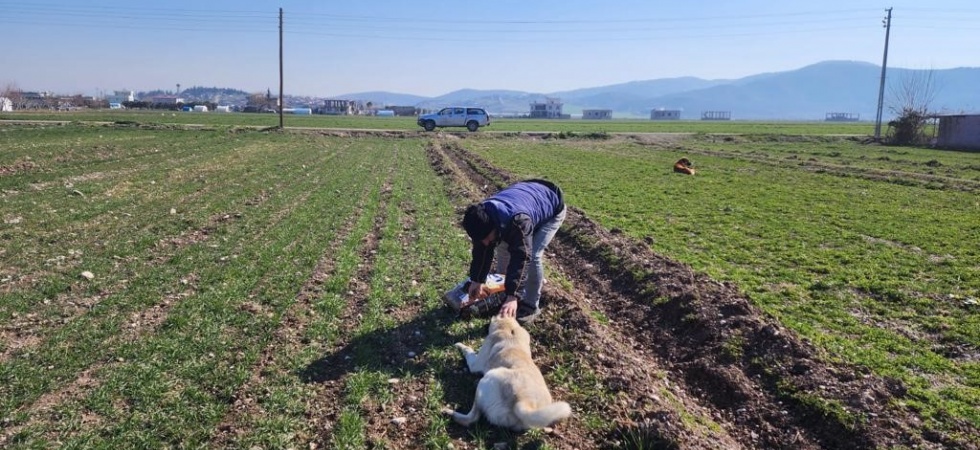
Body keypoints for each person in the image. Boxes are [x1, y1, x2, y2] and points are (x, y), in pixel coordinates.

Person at [460, 179, 566, 323]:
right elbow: (482, 250)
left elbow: (522, 257)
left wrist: (513, 295)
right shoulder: (480, 218)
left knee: (533, 254)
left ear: (493, 226)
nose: (484, 242)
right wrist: (477, 280)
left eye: (485, 237)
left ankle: (530, 305)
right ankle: (502, 291)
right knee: (502, 247)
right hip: (526, 195)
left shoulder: (518, 222)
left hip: (551, 203)